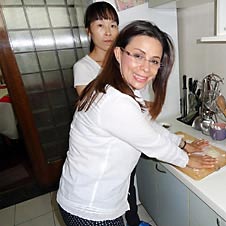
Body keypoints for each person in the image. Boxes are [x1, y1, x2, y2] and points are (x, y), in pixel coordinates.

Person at [57, 20, 216, 226]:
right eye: (138, 56)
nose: (146, 68)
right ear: (118, 54)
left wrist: (183, 144)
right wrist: (187, 159)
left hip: (83, 195)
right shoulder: (115, 101)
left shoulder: (119, 88)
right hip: (90, 207)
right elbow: (152, 143)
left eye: (154, 61)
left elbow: (147, 126)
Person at [73, 3, 149, 225]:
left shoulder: (123, 62)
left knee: (128, 183)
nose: (108, 32)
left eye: (113, 25)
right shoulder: (83, 67)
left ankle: (133, 221)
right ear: (89, 30)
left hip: (127, 140)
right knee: (112, 188)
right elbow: (93, 104)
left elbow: (134, 99)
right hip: (104, 148)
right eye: (100, 25)